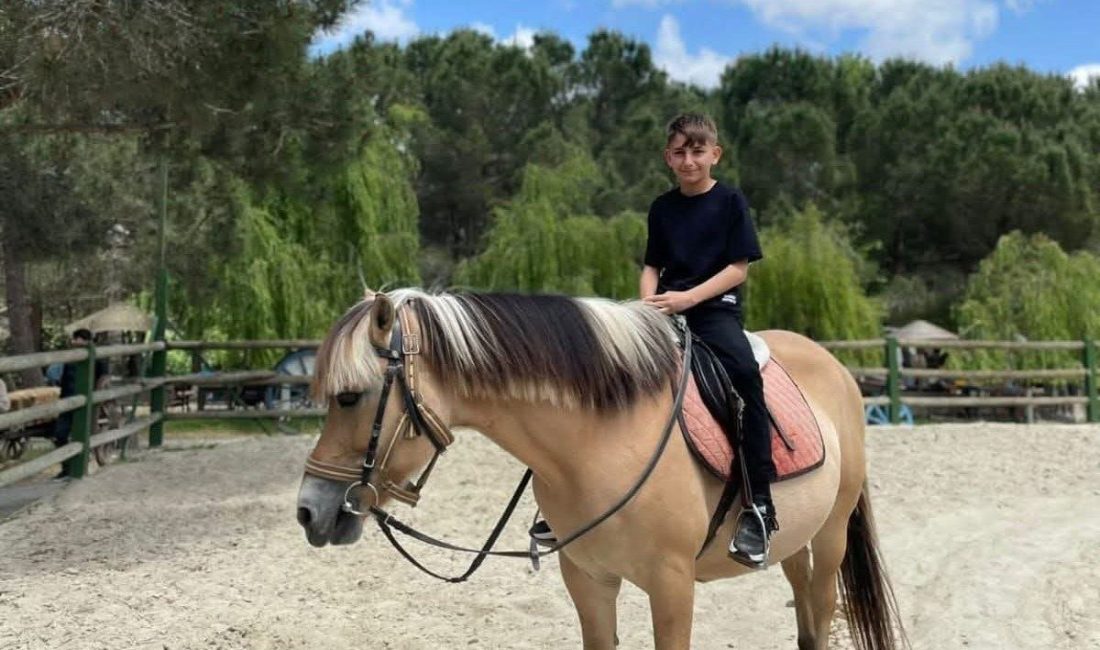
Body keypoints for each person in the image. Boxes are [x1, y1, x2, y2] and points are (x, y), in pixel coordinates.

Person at [640, 112, 778, 568]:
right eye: (679, 152)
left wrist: (687, 299)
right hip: (664, 308)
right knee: (603, 364)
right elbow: (651, 266)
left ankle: (759, 505)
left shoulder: (731, 202)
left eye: (697, 151)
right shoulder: (661, 207)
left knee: (744, 380)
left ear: (714, 154)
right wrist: (648, 306)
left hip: (714, 311)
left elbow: (739, 268)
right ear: (668, 157)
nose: (689, 160)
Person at [52, 328, 107, 477]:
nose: (76, 342)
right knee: (60, 435)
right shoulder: (69, 358)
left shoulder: (98, 360)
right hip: (67, 401)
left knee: (82, 434)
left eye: (80, 340)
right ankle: (67, 468)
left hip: (88, 404)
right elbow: (63, 379)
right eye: (75, 339)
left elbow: (103, 381)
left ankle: (80, 467)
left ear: (87, 341)